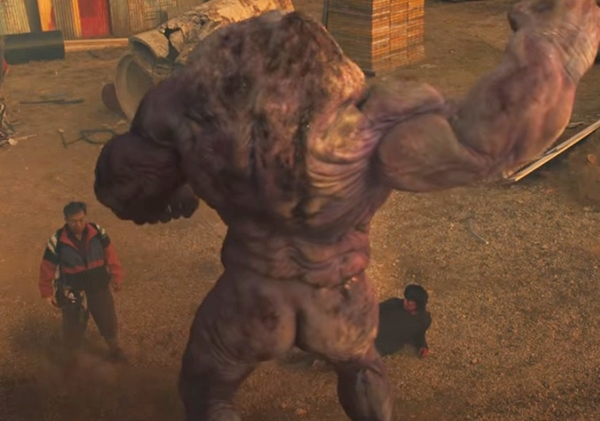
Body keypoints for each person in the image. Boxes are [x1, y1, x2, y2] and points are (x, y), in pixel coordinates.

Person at [92, 2, 600, 420]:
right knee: (361, 368)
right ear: (329, 68)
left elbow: (125, 188)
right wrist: (555, 49)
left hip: (249, 300)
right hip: (338, 297)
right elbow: (487, 141)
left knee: (207, 392)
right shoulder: (367, 126)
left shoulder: (185, 114)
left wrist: (175, 191)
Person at [39, 201, 126, 362]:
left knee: (107, 320)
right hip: (72, 290)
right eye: (74, 221)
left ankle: (115, 350)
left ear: (86, 217)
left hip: (98, 286)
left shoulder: (98, 232)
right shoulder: (56, 240)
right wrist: (47, 292)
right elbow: (47, 266)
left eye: (81, 220)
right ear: (66, 220)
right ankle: (73, 360)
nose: (78, 225)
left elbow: (111, 255)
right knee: (72, 325)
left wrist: (117, 276)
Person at [375, 285, 432, 358]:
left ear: (419, 305)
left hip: (382, 347)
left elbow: (419, 333)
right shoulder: (393, 304)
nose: (407, 303)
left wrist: (423, 345)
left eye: (411, 303)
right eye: (407, 299)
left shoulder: (423, 319)